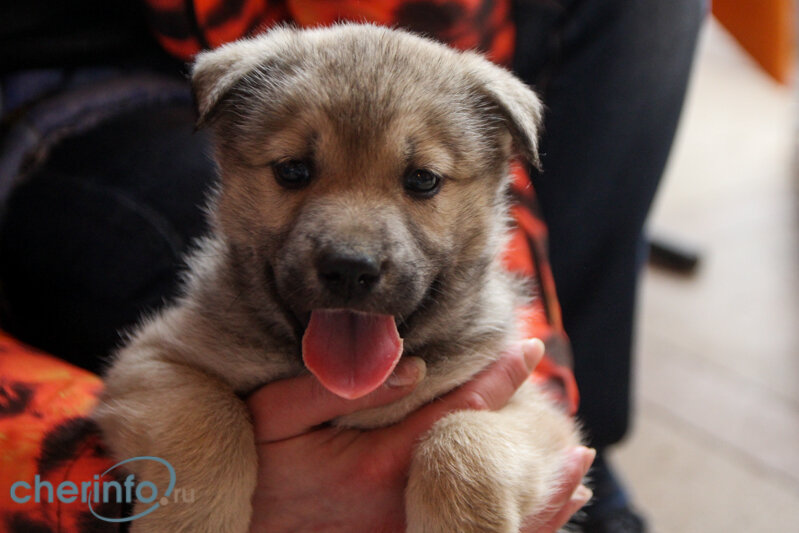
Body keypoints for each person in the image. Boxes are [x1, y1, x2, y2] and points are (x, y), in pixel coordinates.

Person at [0, 1, 705, 531]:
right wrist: (196, 487)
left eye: (420, 181)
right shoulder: (224, 312)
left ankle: (594, 493)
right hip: (62, 79)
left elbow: (530, 423)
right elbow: (156, 373)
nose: (351, 247)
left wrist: (473, 463)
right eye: (297, 171)